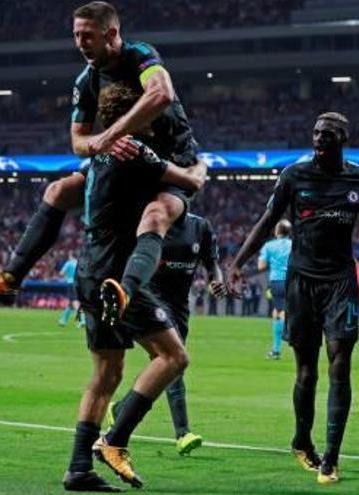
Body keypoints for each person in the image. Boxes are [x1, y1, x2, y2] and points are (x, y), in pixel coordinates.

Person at [0, 1, 198, 322]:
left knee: (156, 215)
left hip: (172, 163)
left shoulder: (141, 56)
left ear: (111, 33)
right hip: (124, 162)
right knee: (58, 191)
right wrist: (100, 143)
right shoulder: (87, 81)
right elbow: (78, 142)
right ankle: (9, 280)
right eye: (76, 35)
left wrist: (109, 134)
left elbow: (161, 94)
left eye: (88, 35)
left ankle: (126, 290)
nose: (80, 43)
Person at [63, 82, 205, 492]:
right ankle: (114, 440)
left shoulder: (100, 155)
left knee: (106, 373)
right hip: (116, 274)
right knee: (173, 357)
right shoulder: (135, 151)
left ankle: (77, 468)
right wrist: (201, 168)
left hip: (89, 269)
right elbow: (190, 182)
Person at [228, 112, 359, 484]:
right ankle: (302, 440)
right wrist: (238, 263)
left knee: (339, 364)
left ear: (343, 138)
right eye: (315, 133)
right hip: (301, 282)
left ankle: (332, 457)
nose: (318, 139)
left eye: (327, 134)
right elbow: (266, 220)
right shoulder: (294, 175)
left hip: (341, 281)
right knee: (306, 371)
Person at [108, 212, 225, 455]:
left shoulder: (201, 226)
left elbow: (211, 262)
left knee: (167, 364)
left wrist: (216, 280)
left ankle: (120, 410)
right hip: (151, 301)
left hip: (180, 305)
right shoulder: (150, 220)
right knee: (174, 361)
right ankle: (182, 433)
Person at [258, 219, 293, 359]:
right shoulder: (294, 245)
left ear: (277, 231)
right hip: (292, 280)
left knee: (281, 311)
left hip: (277, 280)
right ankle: (276, 350)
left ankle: (289, 334)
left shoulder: (269, 245)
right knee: (276, 312)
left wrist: (273, 262)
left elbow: (261, 266)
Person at [58, 252, 85, 328]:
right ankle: (63, 320)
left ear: (71, 256)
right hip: (79, 284)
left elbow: (61, 273)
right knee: (71, 303)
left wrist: (66, 275)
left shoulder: (69, 263)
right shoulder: (79, 263)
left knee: (75, 303)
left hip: (71, 283)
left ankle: (81, 320)